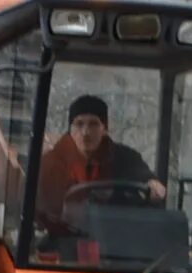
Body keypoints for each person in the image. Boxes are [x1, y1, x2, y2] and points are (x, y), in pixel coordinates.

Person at [33, 94, 162, 236]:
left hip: (114, 239)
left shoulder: (123, 157)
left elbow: (141, 173)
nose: (85, 132)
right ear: (70, 129)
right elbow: (41, 210)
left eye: (93, 124)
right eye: (79, 124)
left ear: (104, 129)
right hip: (62, 239)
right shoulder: (51, 163)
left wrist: (153, 184)